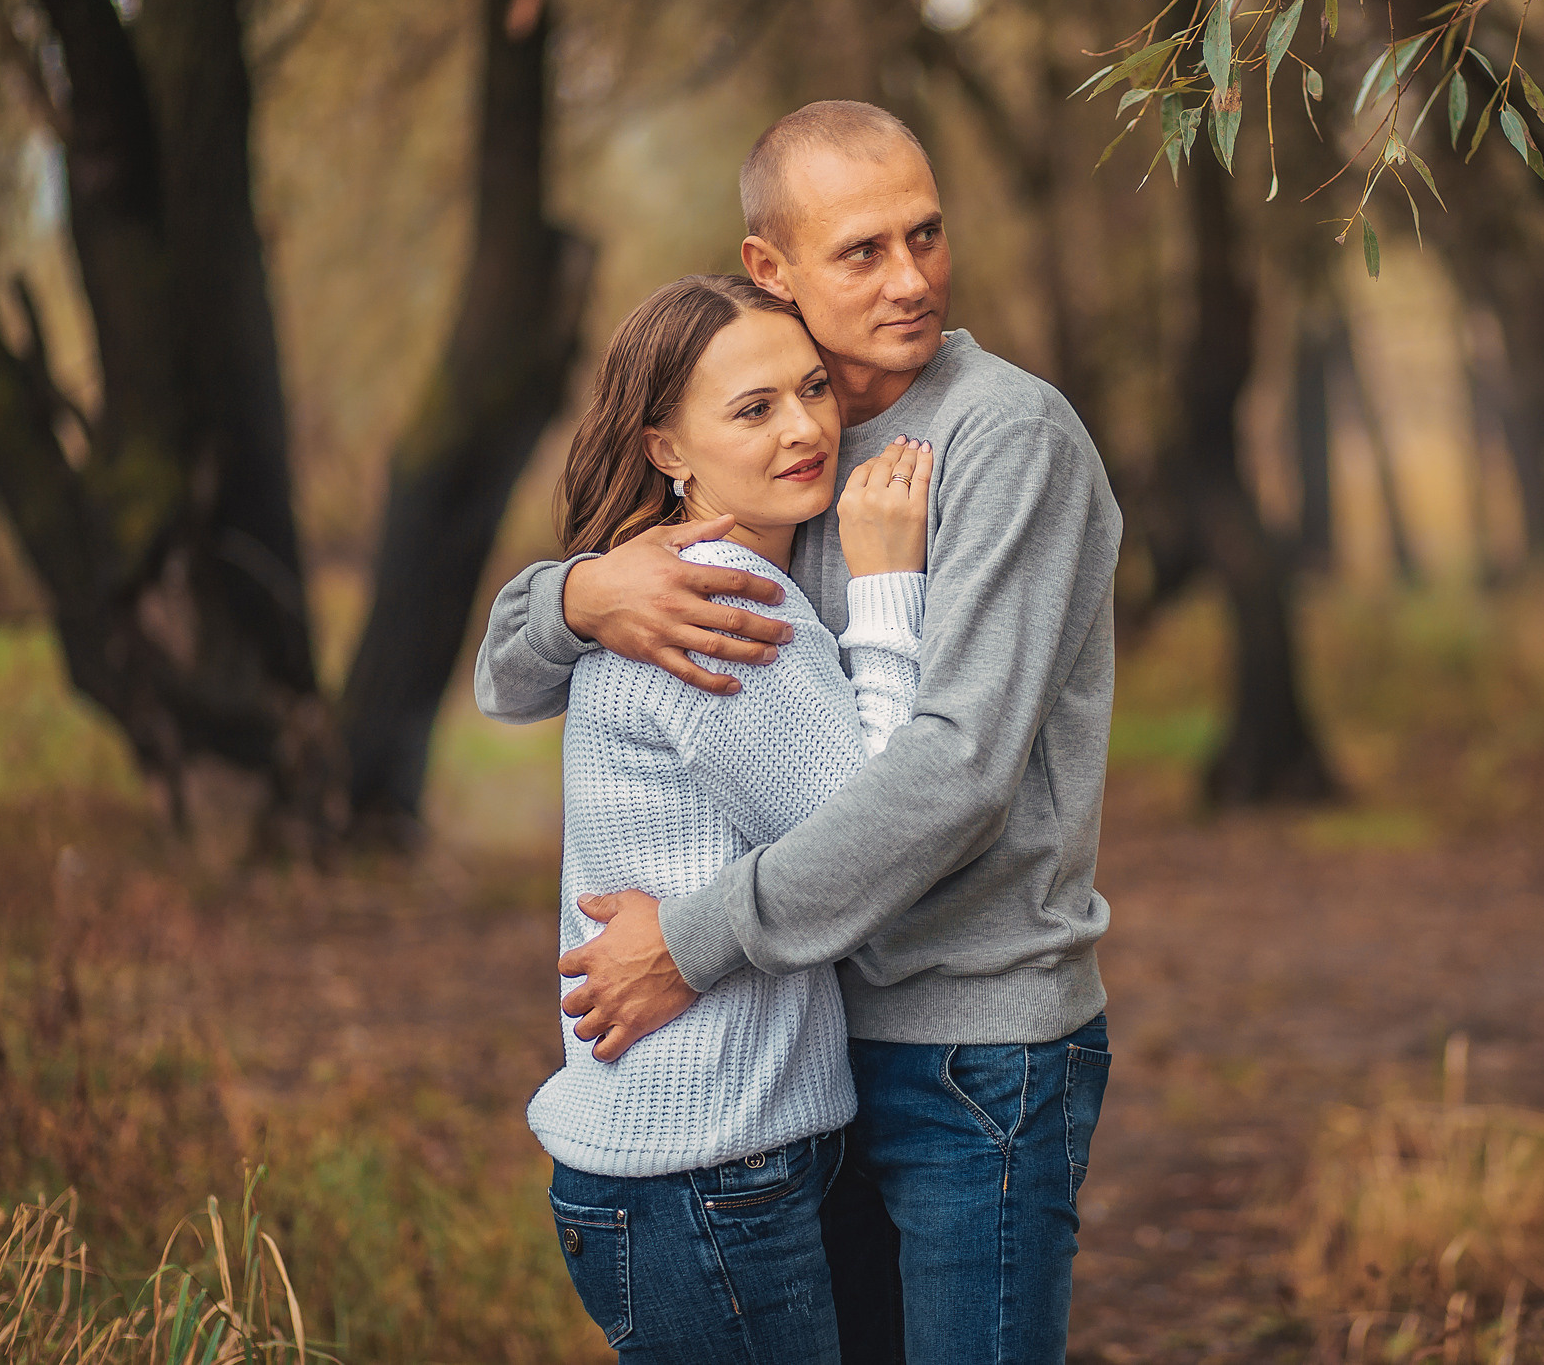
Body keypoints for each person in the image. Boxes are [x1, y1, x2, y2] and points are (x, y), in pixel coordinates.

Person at [475, 99, 1121, 1363]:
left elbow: (954, 775)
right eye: (862, 251)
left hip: (970, 1045)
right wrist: (581, 593)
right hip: (809, 1059)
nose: (910, 279)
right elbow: (510, 679)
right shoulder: (772, 438)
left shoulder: (1006, 438)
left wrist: (694, 944)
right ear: (769, 266)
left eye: (925, 234)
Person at [530, 270, 936, 1362]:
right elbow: (874, 840)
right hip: (705, 1173)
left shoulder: (684, 580)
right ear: (667, 447)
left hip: (709, 1165)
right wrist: (887, 588)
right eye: (754, 409)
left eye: (813, 389)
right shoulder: (719, 602)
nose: (804, 428)